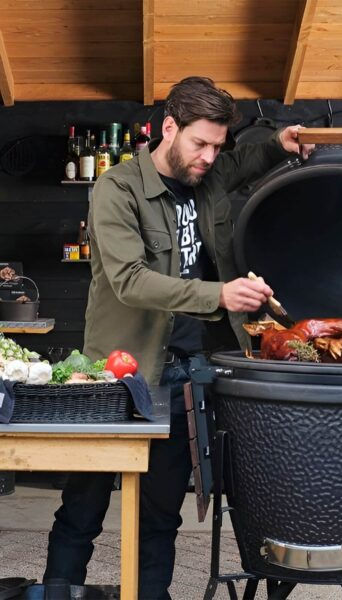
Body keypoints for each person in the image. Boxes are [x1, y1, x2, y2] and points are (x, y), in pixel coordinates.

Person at [43, 76, 314, 599]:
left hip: (188, 372)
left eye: (217, 145)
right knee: (83, 505)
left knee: (160, 511)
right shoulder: (116, 188)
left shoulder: (208, 174)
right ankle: (56, 591)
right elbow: (128, 279)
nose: (210, 157)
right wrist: (219, 295)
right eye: (200, 143)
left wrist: (280, 146)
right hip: (120, 371)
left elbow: (244, 163)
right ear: (169, 127)